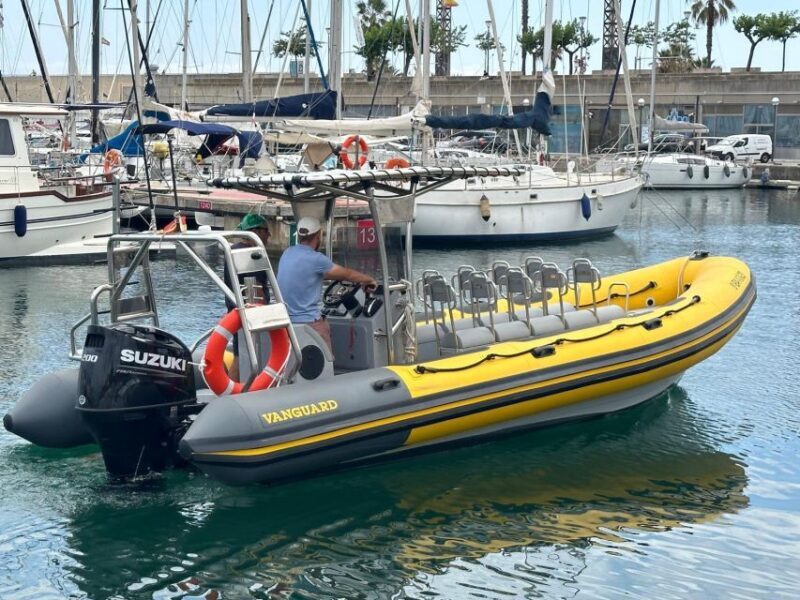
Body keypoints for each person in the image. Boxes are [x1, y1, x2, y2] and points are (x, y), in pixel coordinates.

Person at [277, 216, 376, 349]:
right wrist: (368, 280)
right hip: (309, 323)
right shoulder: (317, 260)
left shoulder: (287, 253)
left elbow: (304, 276)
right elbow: (347, 274)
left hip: (288, 323)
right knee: (326, 347)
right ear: (318, 236)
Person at [223, 213, 272, 380]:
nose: (269, 236)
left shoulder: (232, 251)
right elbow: (256, 289)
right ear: (256, 231)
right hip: (250, 317)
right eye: (266, 231)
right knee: (247, 359)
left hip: (235, 313)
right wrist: (267, 317)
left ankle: (229, 395)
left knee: (239, 357)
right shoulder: (252, 255)